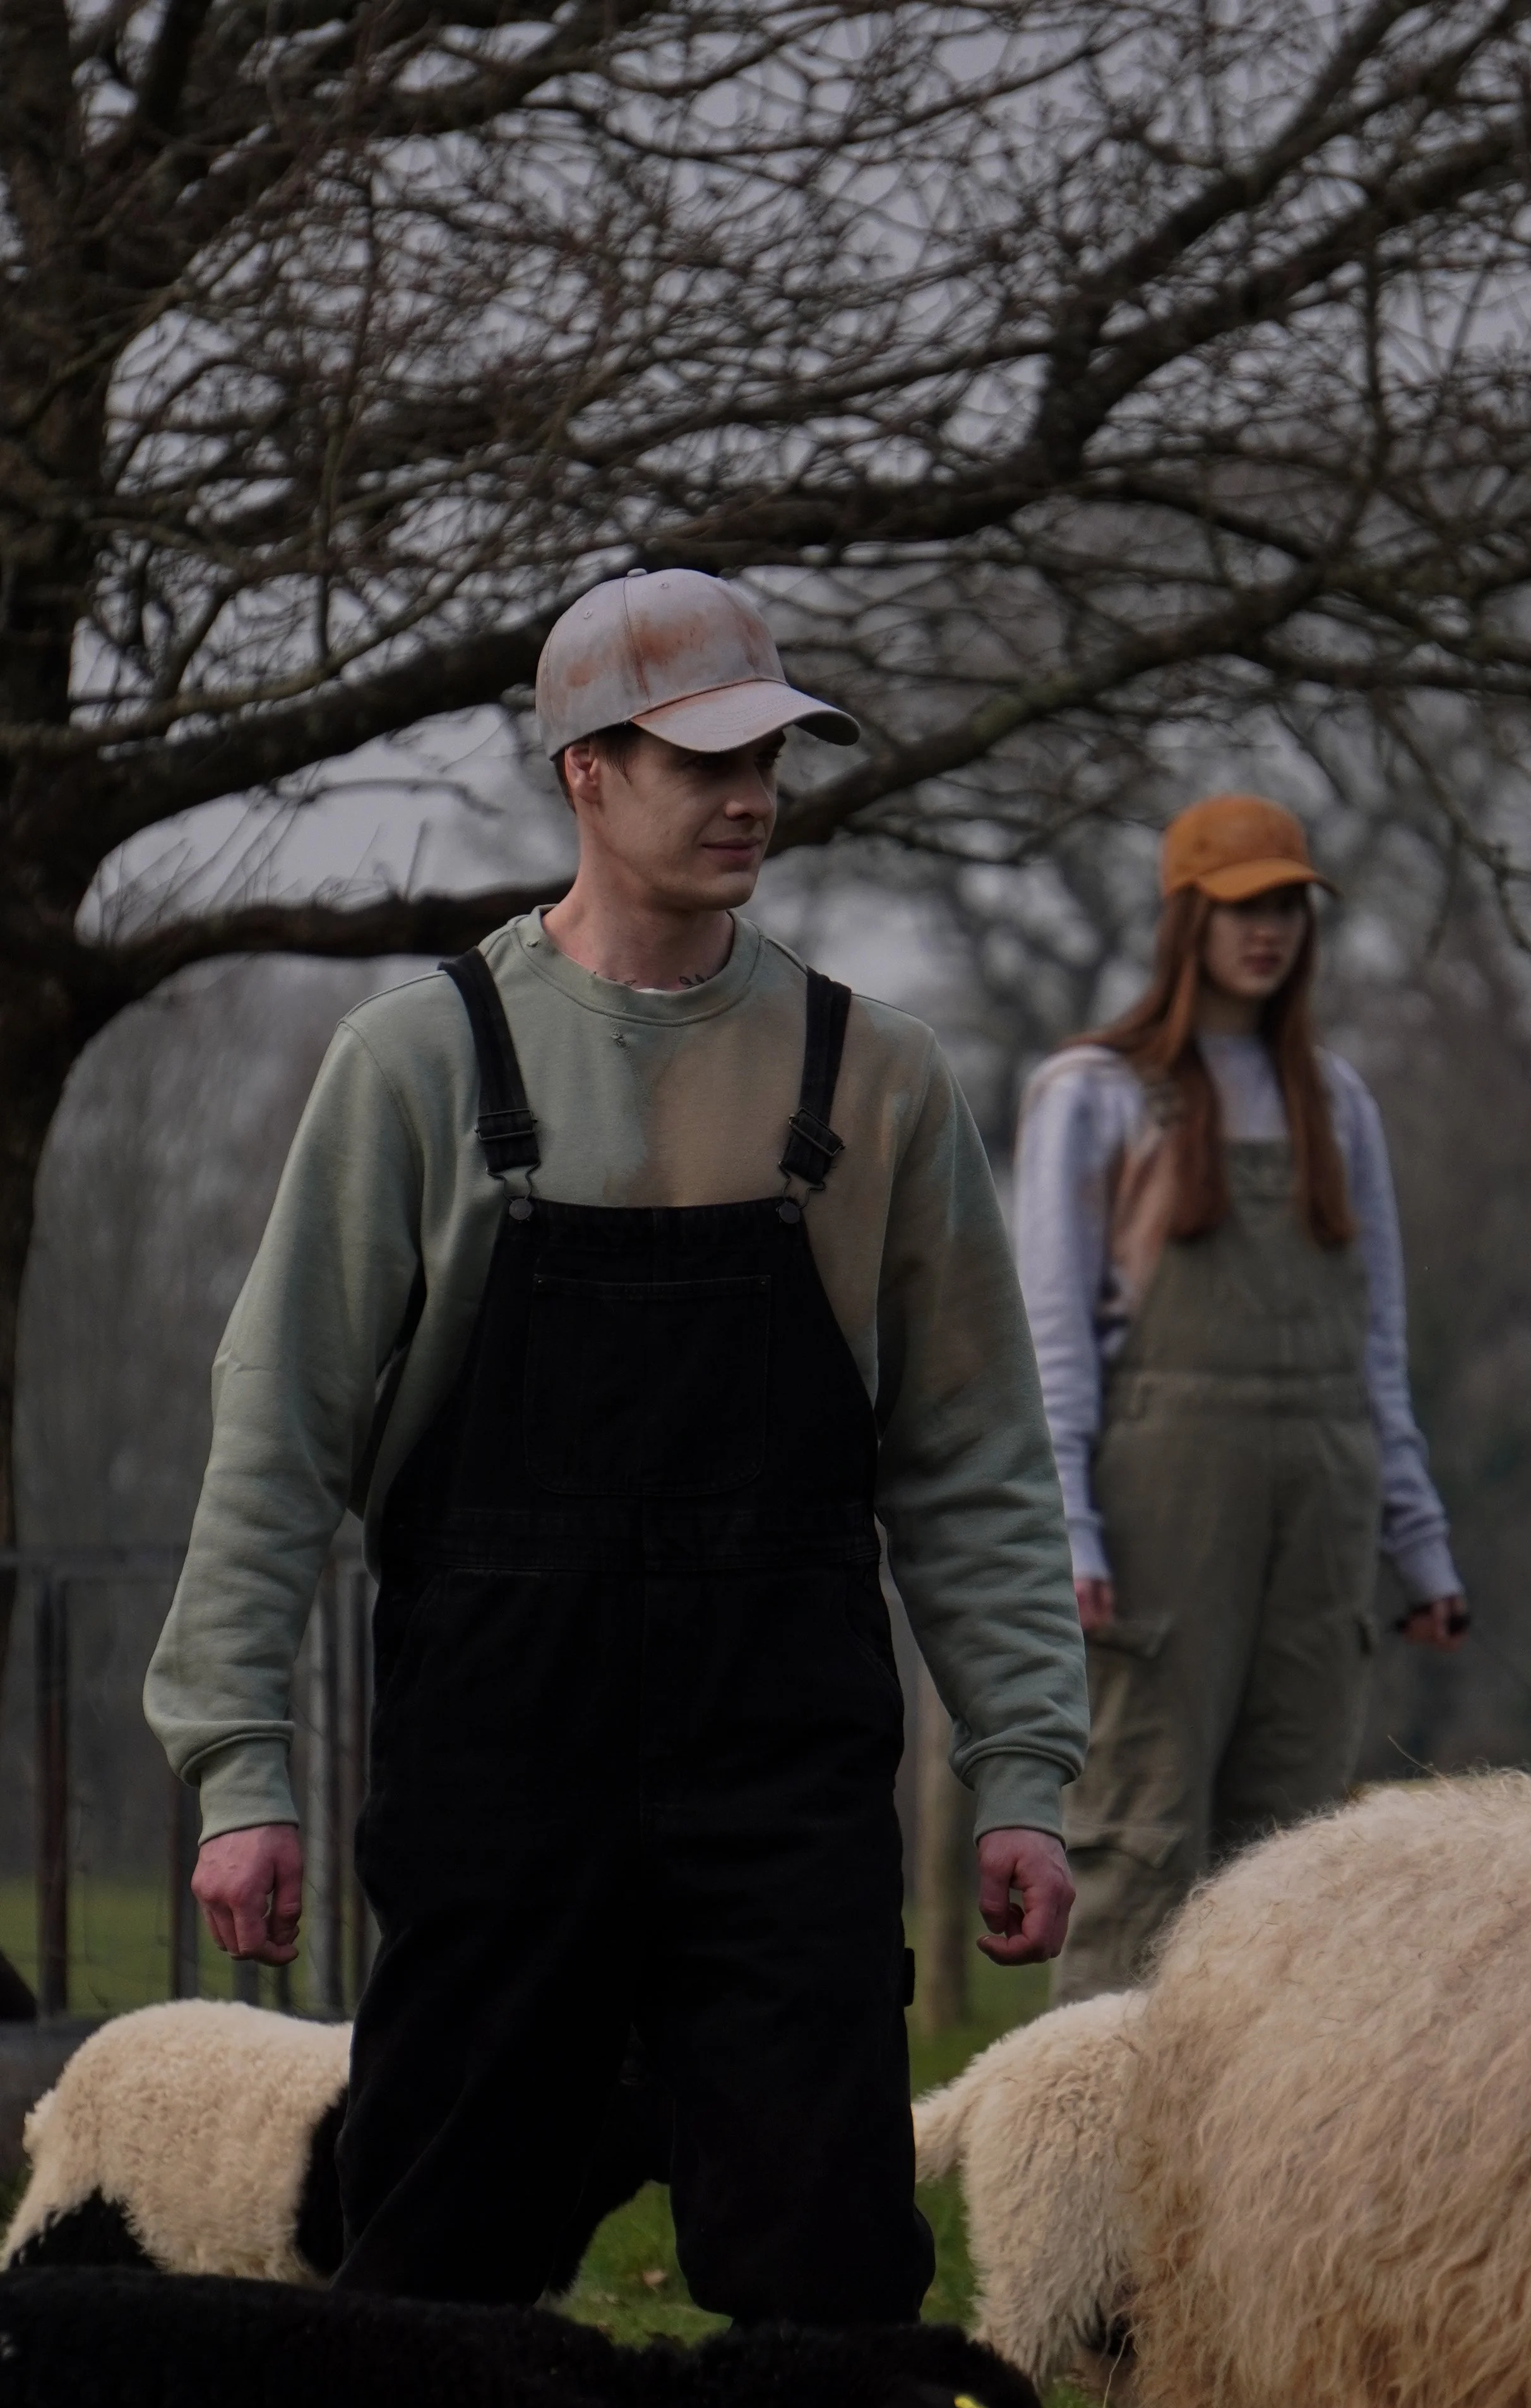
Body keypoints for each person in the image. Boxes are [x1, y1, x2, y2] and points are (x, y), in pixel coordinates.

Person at [145, 568, 1088, 2319]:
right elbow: (273, 1432)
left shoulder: (871, 1078)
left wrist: (1024, 1769)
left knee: (827, 2272)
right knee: (430, 2266)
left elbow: (972, 1461)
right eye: (699, 758)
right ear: (582, 768)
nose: (751, 797)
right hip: (499, 1766)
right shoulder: (419, 1063)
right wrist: (238, 1768)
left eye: (772, 757)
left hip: (781, 1774)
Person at [1015, 793, 1465, 2004]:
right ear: (1186, 920)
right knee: (1142, 1829)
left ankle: (1260, 2173)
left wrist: (1419, 1549)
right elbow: (1053, 1342)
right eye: (1239, 906)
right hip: (1165, 1503)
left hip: (1324, 1499)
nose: (1266, 930)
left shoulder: (1337, 1098)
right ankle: (1092, 2165)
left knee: (1298, 1850)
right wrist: (1073, 1529)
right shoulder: (1096, 1093)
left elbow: (1378, 1349)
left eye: (1286, 907)